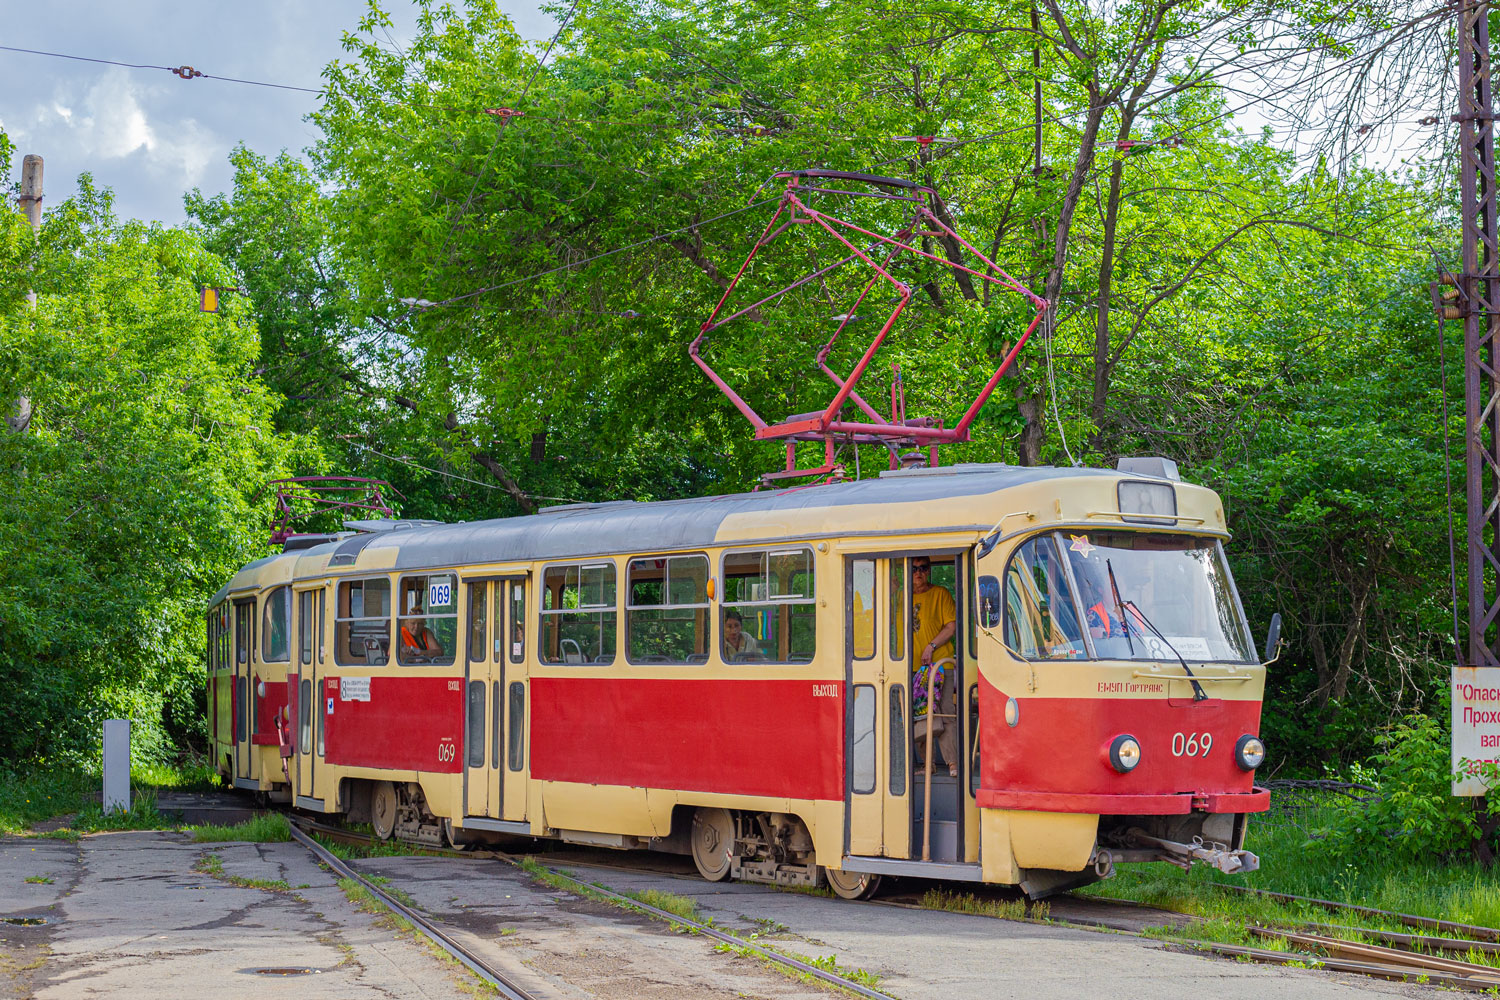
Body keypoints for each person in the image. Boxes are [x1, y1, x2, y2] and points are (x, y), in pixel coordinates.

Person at [911, 557, 959, 776]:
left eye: (923, 568)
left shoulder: (941, 594)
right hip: (911, 667)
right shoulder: (900, 597)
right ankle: (927, 764)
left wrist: (931, 646)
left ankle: (952, 763)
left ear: (929, 571)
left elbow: (951, 627)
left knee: (946, 712)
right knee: (920, 715)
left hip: (940, 665)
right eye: (913, 569)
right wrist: (891, 589)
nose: (918, 573)